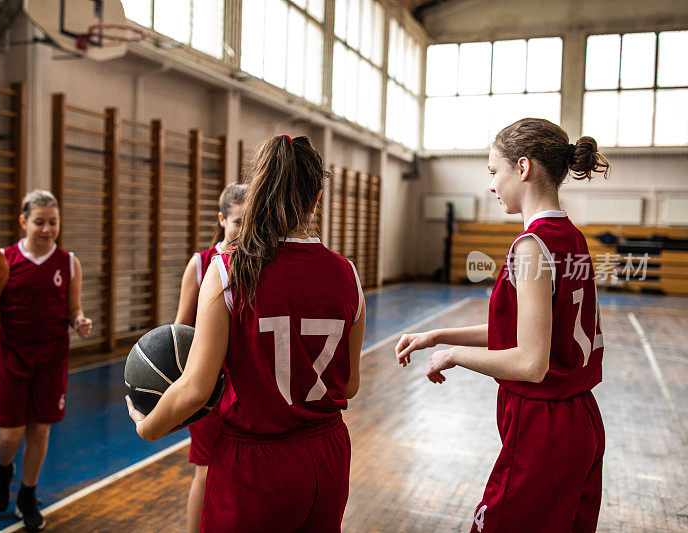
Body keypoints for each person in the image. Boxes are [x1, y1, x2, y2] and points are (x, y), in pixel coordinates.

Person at [127, 134, 366, 532]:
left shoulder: (228, 271)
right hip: (327, 455)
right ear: (317, 199)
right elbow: (351, 384)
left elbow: (195, 389)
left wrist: (147, 426)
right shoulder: (349, 274)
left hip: (256, 461)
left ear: (257, 193)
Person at [395, 118, 609, 533]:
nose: (491, 185)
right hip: (580, 418)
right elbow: (525, 334)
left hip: (542, 425)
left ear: (523, 168)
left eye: (494, 171)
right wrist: (438, 335)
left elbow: (531, 363)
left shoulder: (531, 246)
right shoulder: (571, 237)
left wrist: (453, 355)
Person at [0, 190, 92, 531]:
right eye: (39, 222)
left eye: (53, 222)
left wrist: (80, 321)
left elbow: (73, 310)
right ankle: (3, 469)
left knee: (40, 428)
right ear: (24, 221)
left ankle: (27, 494)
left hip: (53, 357)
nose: (47, 229)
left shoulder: (68, 262)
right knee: (10, 436)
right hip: (13, 355)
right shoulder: (1, 260)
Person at [174, 182, 246, 533]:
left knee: (243, 471)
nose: (243, 231)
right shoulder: (201, 265)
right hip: (208, 385)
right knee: (205, 467)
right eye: (237, 222)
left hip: (247, 386)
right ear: (221, 220)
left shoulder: (258, 265)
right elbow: (179, 331)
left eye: (251, 222)